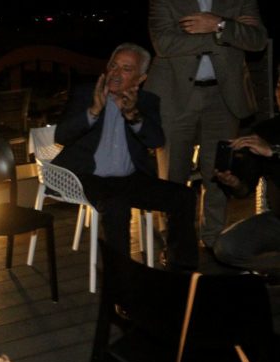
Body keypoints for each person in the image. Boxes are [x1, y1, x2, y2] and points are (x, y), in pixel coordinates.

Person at [145, 0, 268, 249]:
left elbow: (256, 40)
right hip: (175, 96)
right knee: (173, 174)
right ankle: (175, 240)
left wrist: (218, 23)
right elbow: (165, 43)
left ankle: (213, 239)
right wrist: (226, 32)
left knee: (219, 171)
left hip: (223, 97)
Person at [53, 43, 198, 271]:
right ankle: (120, 279)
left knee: (184, 196)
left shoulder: (146, 102)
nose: (116, 73)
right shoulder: (86, 93)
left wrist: (133, 115)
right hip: (87, 176)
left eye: (126, 69)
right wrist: (93, 112)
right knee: (116, 205)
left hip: (129, 178)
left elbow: (156, 141)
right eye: (113, 66)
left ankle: (181, 269)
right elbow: (61, 135)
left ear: (140, 79)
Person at [213, 76, 280, 276]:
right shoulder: (266, 131)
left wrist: (274, 152)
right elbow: (245, 190)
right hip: (277, 221)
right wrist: (234, 183)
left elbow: (271, 152)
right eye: (279, 87)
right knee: (226, 246)